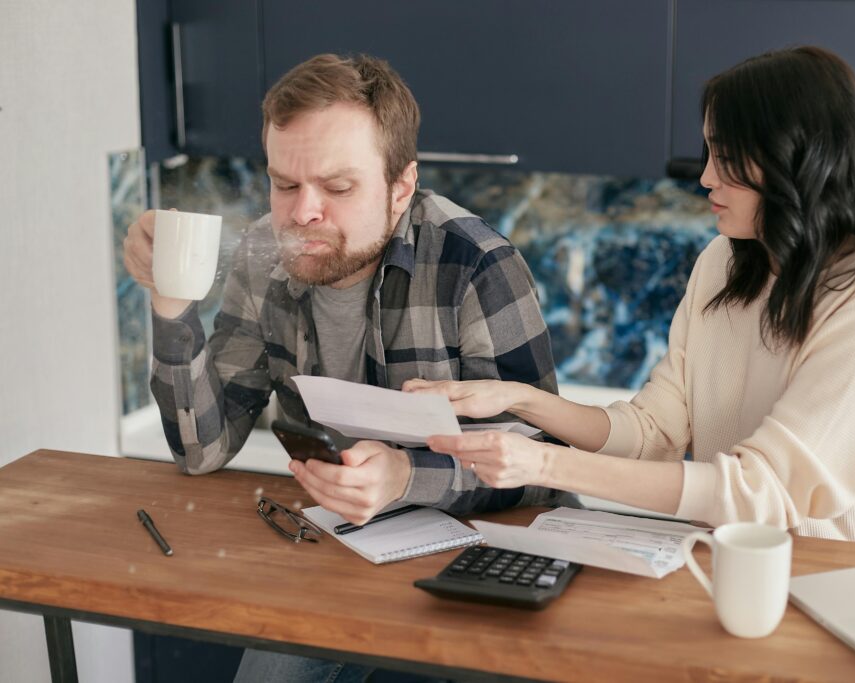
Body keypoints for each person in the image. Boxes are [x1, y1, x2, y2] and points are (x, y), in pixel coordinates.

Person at [123, 53, 564, 682]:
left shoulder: (476, 264)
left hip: (481, 552)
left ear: (402, 187)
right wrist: (170, 296)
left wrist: (405, 475)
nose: (303, 213)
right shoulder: (260, 257)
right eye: (284, 184)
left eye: (337, 188)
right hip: (334, 547)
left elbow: (545, 460)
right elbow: (201, 449)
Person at [408, 46, 855, 546]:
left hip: (828, 575)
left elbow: (761, 490)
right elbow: (653, 430)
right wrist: (518, 399)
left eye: (726, 158)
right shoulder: (724, 262)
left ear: (794, 160)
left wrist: (545, 463)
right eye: (709, 154)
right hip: (722, 560)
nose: (705, 178)